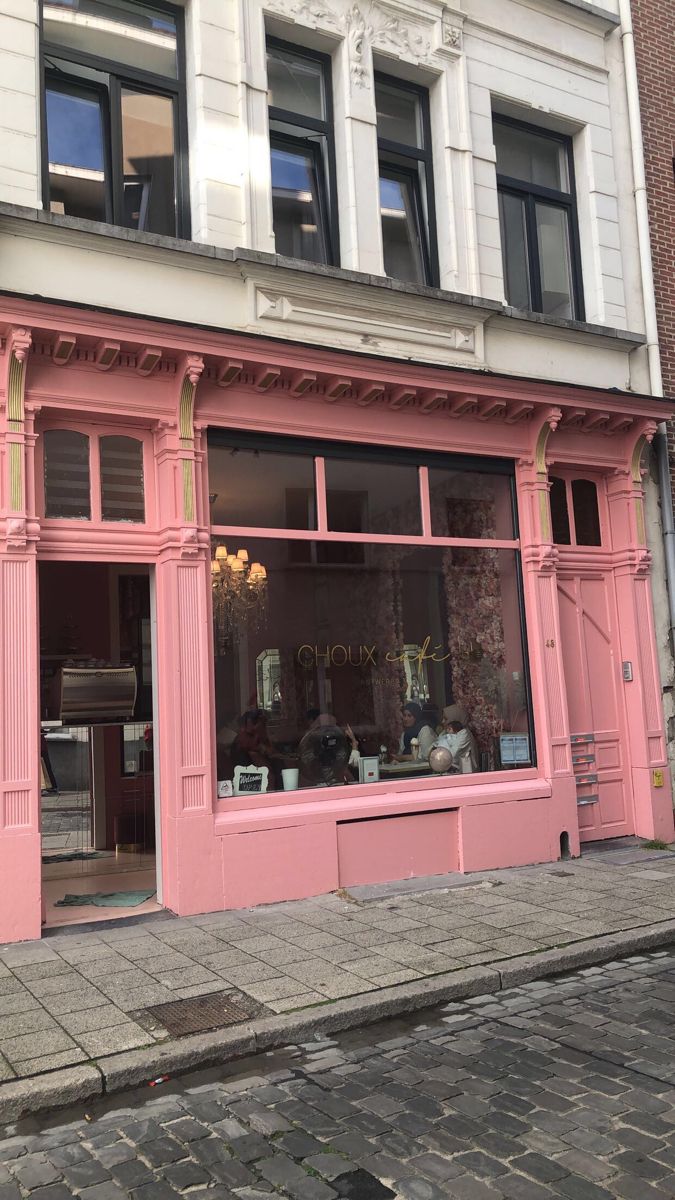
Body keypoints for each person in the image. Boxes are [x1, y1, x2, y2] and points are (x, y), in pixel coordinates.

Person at [433, 704, 479, 773]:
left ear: (455, 719)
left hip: (463, 775)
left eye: (445, 719)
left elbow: (451, 756)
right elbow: (432, 751)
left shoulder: (464, 733)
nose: (442, 722)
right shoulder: (445, 732)